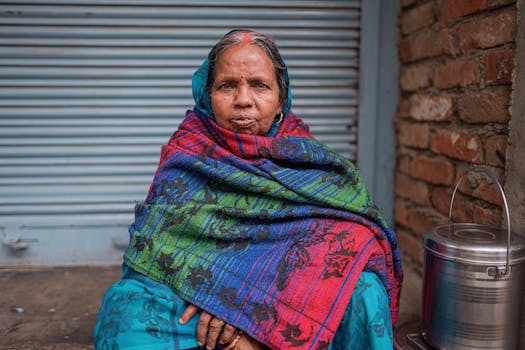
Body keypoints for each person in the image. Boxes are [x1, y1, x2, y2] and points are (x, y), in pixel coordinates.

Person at [94, 28, 403, 350]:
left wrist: (242, 306)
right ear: (207, 95)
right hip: (200, 298)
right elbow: (154, 249)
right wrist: (214, 294)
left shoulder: (312, 163)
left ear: (281, 97)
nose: (243, 100)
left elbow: (356, 238)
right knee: (125, 308)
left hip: (286, 299)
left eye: (259, 85)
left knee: (365, 291)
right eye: (227, 86)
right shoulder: (186, 154)